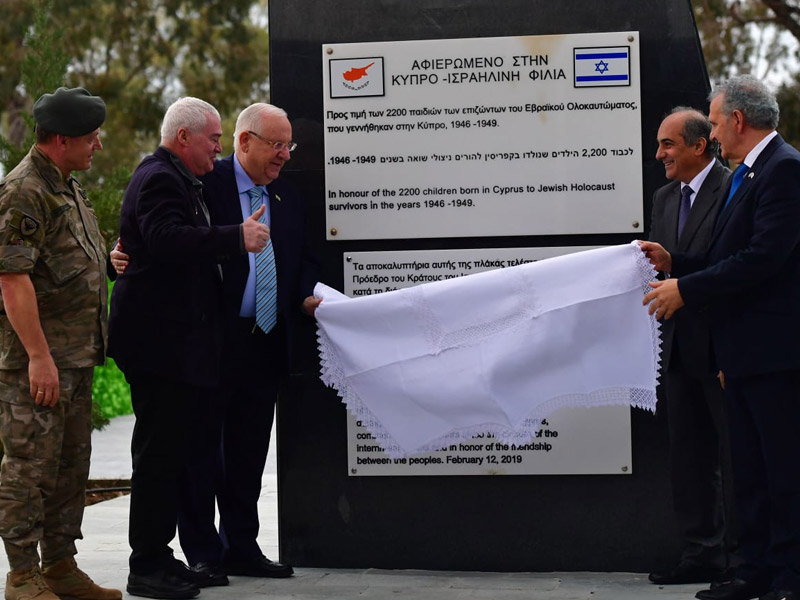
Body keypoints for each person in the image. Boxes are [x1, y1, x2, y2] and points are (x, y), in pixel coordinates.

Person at [642, 75, 800, 600]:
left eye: (711, 123)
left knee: (782, 473)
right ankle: (753, 572)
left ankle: (787, 578)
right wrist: (677, 263)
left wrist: (685, 288)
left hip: (775, 356)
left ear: (736, 120)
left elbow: (762, 260)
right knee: (751, 474)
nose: (711, 132)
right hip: (744, 352)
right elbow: (723, 257)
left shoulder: (785, 170)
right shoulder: (750, 176)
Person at [107, 97, 270, 599]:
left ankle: (160, 556)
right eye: (213, 139)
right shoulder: (159, 177)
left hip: (179, 349)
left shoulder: (182, 179)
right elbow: (165, 240)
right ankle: (145, 567)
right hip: (160, 348)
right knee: (157, 459)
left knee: (172, 457)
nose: (218, 148)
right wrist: (234, 236)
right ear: (183, 138)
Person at [176, 103, 320, 581]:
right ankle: (202, 550)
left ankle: (242, 545)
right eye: (276, 144)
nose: (284, 155)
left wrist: (302, 296)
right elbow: (170, 237)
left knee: (249, 450)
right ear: (244, 141)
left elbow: (301, 260)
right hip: (213, 339)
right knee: (201, 450)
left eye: (288, 145)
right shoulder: (204, 185)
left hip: (266, 339)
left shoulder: (288, 198)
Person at [0, 87, 121, 600]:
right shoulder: (24, 190)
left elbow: (62, 265)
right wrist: (39, 357)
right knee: (29, 468)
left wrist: (108, 265)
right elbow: (12, 279)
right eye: (91, 138)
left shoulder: (66, 186)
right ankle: (23, 575)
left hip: (76, 359)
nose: (98, 146)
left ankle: (61, 566)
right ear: (64, 139)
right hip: (40, 364)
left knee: (71, 466)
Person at [647, 108, 735, 586]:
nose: (659, 154)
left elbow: (730, 265)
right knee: (689, 457)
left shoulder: (734, 189)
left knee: (738, 459)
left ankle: (743, 560)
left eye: (668, 144)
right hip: (677, 347)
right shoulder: (663, 198)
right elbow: (666, 268)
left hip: (724, 347)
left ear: (700, 146)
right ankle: (701, 555)